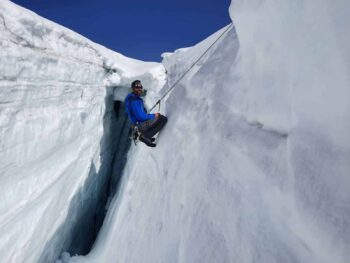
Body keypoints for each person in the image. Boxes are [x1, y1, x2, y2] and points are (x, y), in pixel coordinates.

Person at [125, 80, 167, 147]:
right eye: (137, 87)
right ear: (132, 88)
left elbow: (138, 114)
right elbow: (141, 116)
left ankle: (146, 136)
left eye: (140, 86)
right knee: (162, 119)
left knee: (157, 119)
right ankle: (146, 136)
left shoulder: (131, 98)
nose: (139, 88)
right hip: (141, 125)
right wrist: (154, 115)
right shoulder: (134, 100)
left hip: (138, 125)